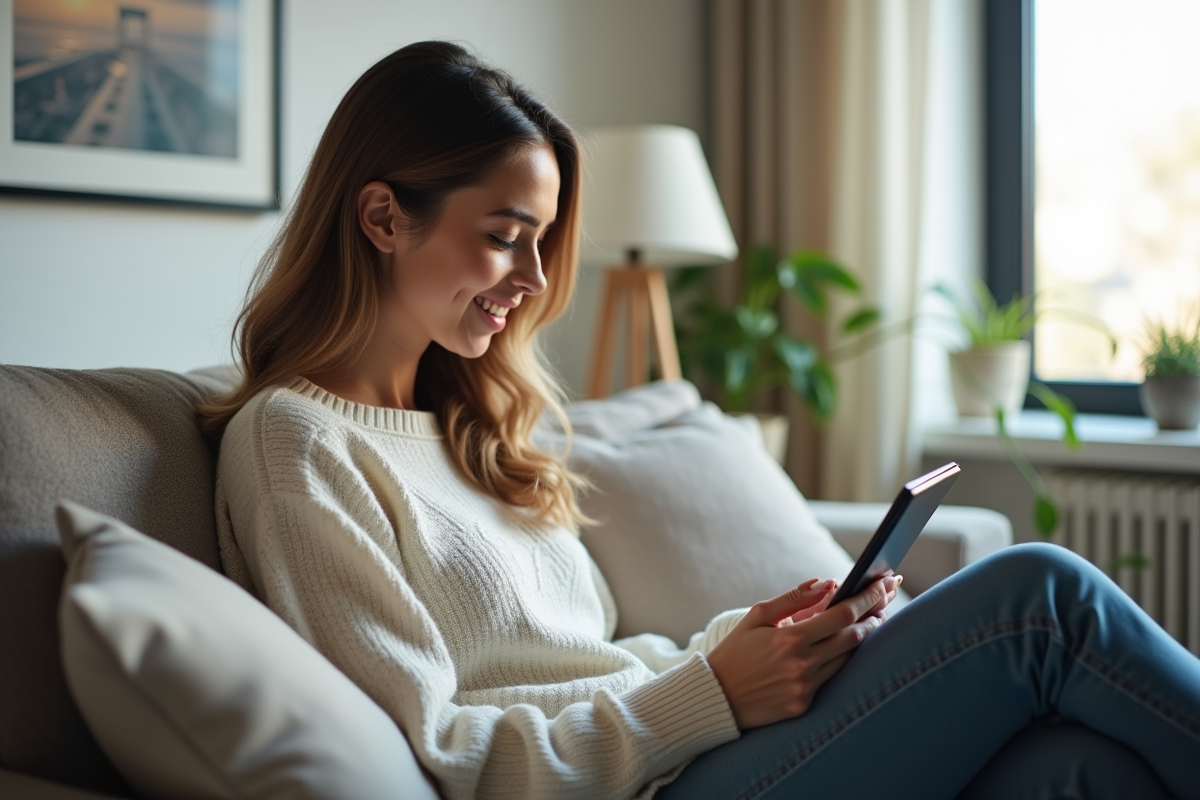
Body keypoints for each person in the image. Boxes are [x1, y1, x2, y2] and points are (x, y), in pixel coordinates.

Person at [201, 41, 1200, 800]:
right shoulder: (299, 446)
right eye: (505, 239)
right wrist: (711, 693)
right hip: (649, 784)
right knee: (1040, 595)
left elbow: (585, 665)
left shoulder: (469, 427)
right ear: (381, 218)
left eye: (543, 241)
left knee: (1076, 763)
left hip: (684, 745)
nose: (538, 281)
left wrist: (755, 639)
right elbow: (434, 748)